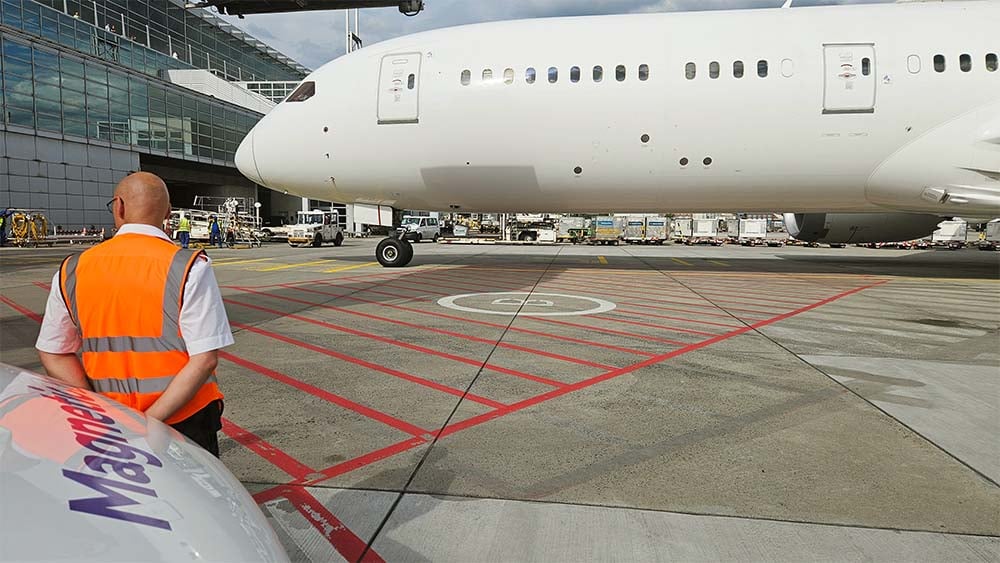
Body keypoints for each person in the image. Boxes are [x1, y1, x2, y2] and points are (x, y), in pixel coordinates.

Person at [34, 172, 234, 456]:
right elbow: (203, 359)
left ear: (119, 207)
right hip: (184, 421)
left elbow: (53, 352)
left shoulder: (73, 270)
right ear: (167, 213)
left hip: (110, 423)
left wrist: (101, 411)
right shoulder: (188, 266)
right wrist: (148, 421)